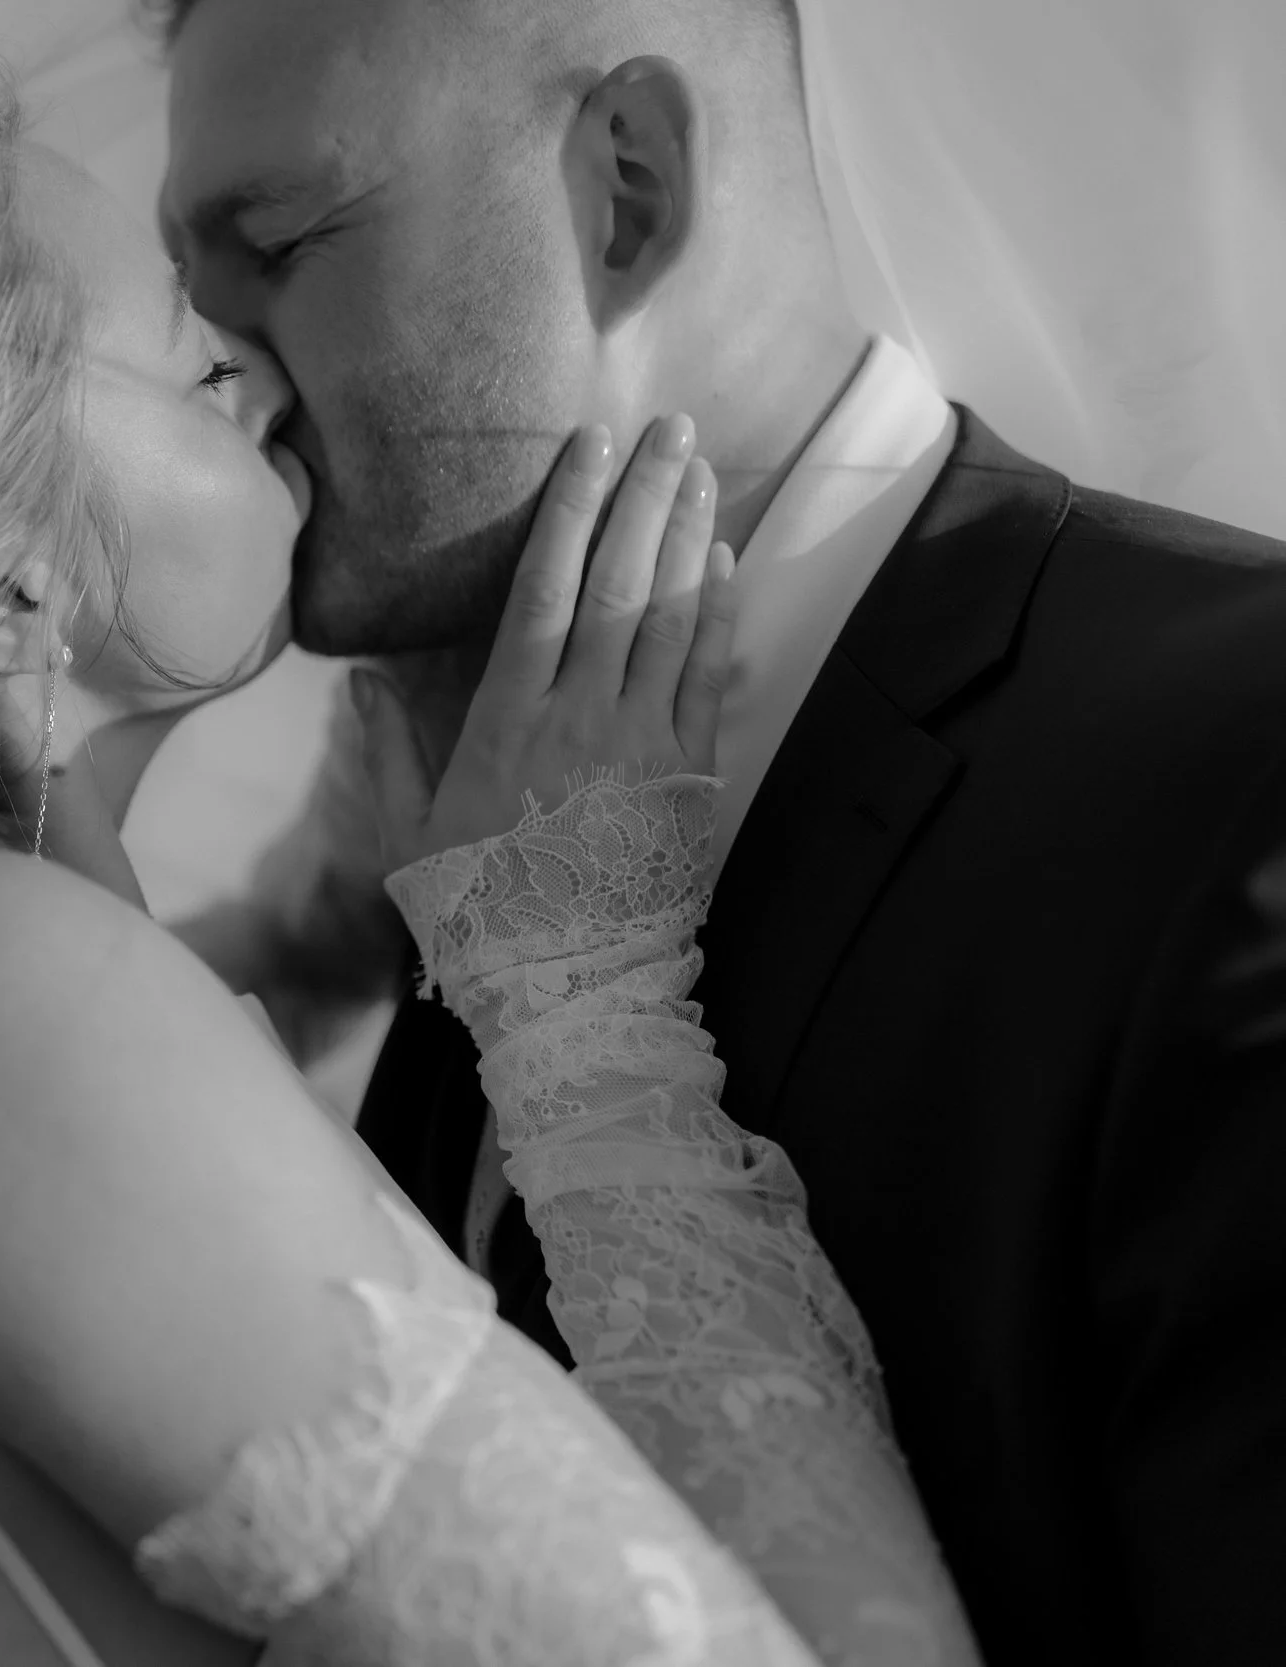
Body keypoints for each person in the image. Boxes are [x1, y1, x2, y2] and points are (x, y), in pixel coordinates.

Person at [0, 88, 982, 1666]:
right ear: (7, 586)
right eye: (197, 362)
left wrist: (331, 944)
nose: (274, 382)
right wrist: (583, 997)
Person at [153, 1, 1286, 1661]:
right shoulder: (482, 831)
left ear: (624, 188)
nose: (218, 371)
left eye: (279, 247)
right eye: (190, 297)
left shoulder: (1238, 765)